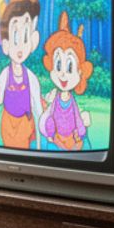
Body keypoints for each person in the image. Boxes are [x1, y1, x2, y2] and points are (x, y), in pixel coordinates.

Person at [0, 0, 43, 149]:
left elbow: (37, 106)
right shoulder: (5, 74)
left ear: (33, 40)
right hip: (8, 123)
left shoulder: (31, 77)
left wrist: (40, 144)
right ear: (6, 44)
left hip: (25, 124)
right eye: (15, 37)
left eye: (25, 36)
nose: (20, 46)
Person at [39, 10, 93, 151]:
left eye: (69, 67)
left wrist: (81, 132)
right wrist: (50, 132)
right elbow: (49, 115)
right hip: (56, 137)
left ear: (80, 71)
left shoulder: (72, 101)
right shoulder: (54, 98)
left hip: (70, 138)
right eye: (58, 65)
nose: (62, 74)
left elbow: (77, 118)